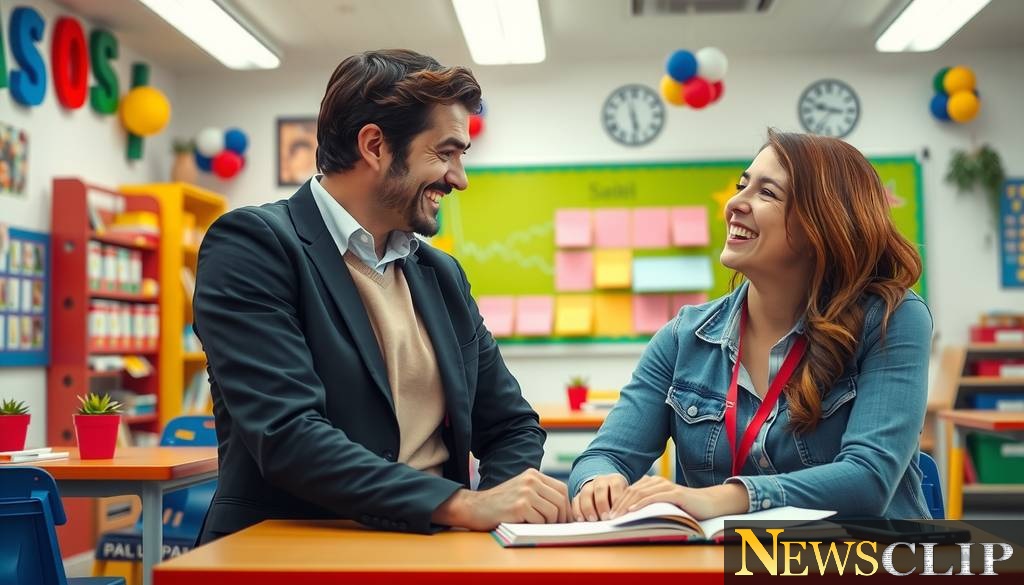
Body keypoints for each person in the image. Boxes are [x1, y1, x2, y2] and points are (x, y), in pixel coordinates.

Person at [193, 49, 569, 543]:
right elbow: (288, 434)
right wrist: (462, 504)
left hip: (438, 551)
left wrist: (497, 520)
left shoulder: (441, 274)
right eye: (446, 153)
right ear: (375, 145)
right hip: (295, 549)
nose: (460, 178)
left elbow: (512, 426)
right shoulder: (254, 246)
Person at [569, 129, 931, 522]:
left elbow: (868, 480)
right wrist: (598, 483)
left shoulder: (891, 319)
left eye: (766, 193)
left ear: (821, 224)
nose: (735, 204)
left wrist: (724, 498)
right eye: (743, 186)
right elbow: (604, 456)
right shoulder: (683, 338)